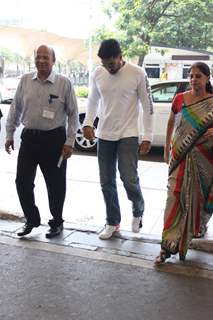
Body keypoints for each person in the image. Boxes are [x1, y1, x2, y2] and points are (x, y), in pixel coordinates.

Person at [83, 39, 154, 240]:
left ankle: (138, 208)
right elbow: (92, 100)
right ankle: (112, 222)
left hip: (128, 134)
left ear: (120, 56)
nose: (108, 68)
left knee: (128, 179)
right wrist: (88, 122)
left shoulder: (138, 73)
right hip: (105, 134)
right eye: (105, 64)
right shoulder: (97, 73)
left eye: (111, 64)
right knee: (106, 182)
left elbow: (148, 106)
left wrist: (147, 136)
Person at [5, 45, 79, 238]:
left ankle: (56, 222)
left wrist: (70, 141)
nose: (41, 61)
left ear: (54, 61)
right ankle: (31, 219)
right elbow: (15, 109)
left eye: (46, 57)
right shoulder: (25, 80)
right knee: (22, 181)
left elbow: (73, 115)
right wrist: (9, 134)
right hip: (29, 139)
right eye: (38, 57)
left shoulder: (64, 83)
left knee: (55, 184)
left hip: (54, 141)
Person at [155, 62, 213, 264]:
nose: (194, 79)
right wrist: (166, 150)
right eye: (191, 76)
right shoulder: (180, 99)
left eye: (198, 76)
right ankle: (166, 246)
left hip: (204, 162)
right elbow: (171, 122)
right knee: (173, 199)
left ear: (207, 78)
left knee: (194, 203)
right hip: (179, 157)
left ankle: (184, 241)